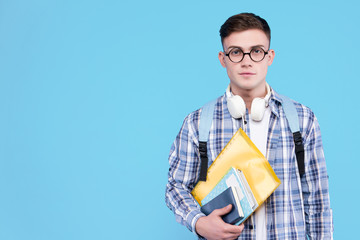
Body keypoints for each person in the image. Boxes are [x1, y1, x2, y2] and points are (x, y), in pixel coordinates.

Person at [165, 13, 333, 240]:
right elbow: (175, 187)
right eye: (235, 52)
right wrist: (199, 223)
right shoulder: (197, 124)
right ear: (222, 59)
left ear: (269, 56)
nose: (246, 61)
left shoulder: (302, 119)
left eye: (256, 51)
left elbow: (318, 201)